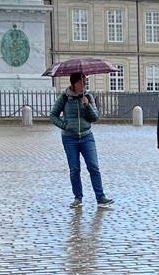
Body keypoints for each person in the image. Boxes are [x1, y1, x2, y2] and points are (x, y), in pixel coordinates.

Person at [49, 72, 114, 208]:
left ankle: (100, 197)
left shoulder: (88, 97)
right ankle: (78, 197)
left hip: (86, 136)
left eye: (85, 82)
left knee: (94, 167)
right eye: (81, 82)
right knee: (74, 169)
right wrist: (65, 125)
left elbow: (95, 117)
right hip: (69, 138)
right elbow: (53, 115)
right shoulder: (64, 98)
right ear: (74, 83)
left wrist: (87, 105)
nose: (84, 85)